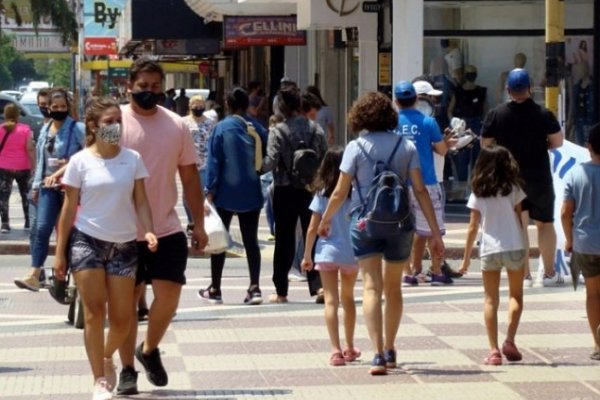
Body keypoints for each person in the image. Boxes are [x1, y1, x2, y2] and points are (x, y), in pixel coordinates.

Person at [317, 92, 444, 375]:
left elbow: (340, 191)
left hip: (364, 224)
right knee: (394, 288)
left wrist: (325, 220)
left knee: (371, 287)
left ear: (359, 117)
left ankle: (376, 354)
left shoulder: (355, 147)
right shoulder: (406, 146)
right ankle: (390, 348)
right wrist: (435, 232)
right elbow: (420, 190)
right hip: (400, 224)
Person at [53, 97, 158, 400]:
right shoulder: (80, 161)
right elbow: (69, 208)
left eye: (118, 121)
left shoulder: (133, 159)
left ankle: (106, 356)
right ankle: (99, 379)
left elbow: (141, 200)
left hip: (125, 244)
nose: (115, 127)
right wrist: (60, 252)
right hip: (87, 241)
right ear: (93, 126)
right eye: (109, 122)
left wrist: (148, 229)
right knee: (94, 313)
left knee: (124, 319)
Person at [116, 58, 208, 395]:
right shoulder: (115, 122)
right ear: (130, 86)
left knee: (168, 297)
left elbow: (189, 176)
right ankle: (126, 369)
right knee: (125, 305)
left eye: (155, 86)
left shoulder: (177, 125)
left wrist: (198, 223)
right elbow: (96, 161)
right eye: (143, 86)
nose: (149, 92)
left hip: (166, 227)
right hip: (121, 230)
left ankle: (148, 350)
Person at [481, 68, 564, 288]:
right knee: (545, 224)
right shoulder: (544, 114)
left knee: (519, 225)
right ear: (529, 88)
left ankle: (524, 274)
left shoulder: (496, 114)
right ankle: (548, 273)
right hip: (539, 177)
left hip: (510, 178)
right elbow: (558, 142)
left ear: (508, 89)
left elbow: (486, 145)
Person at [198, 87, 267, 305]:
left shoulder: (221, 128)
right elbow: (266, 153)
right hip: (251, 191)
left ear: (227, 104)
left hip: (225, 193)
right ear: (247, 105)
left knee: (219, 239)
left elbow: (214, 161)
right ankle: (254, 288)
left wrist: (209, 191)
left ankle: (215, 289)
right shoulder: (256, 127)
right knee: (251, 242)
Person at [459, 145, 526, 365]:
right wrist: (525, 252)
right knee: (515, 296)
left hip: (489, 248)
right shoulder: (513, 187)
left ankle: (494, 350)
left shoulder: (478, 190)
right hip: (514, 244)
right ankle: (510, 340)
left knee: (490, 299)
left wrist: (466, 258)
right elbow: (521, 221)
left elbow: (472, 226)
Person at [14, 87, 85, 292]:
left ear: (68, 107)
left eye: (63, 107)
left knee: (70, 232)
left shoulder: (77, 128)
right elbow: (41, 161)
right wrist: (36, 185)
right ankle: (35, 273)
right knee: (42, 228)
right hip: (48, 186)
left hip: (71, 187)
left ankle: (73, 274)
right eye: (55, 107)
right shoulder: (46, 129)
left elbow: (88, 152)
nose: (58, 110)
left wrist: (68, 164)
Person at [262, 83, 327, 303]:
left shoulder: (277, 131)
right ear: (300, 104)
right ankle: (318, 287)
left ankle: (281, 291)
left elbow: (270, 162)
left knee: (284, 239)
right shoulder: (315, 129)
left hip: (284, 188)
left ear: (281, 107)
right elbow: (325, 158)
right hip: (310, 189)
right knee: (314, 236)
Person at [301, 147, 360, 366]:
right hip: (351, 253)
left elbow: (311, 228)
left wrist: (307, 255)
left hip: (326, 252)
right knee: (348, 298)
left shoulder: (322, 193)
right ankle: (350, 346)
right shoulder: (355, 192)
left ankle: (335, 350)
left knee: (331, 301)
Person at [394, 81, 451, 286]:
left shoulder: (392, 123)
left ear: (396, 101)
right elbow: (442, 150)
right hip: (426, 181)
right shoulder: (428, 122)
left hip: (400, 183)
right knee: (433, 229)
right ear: (416, 99)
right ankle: (436, 271)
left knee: (404, 229)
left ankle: (408, 272)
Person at [561, 123, 600, 361]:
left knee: (593, 294)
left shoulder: (575, 174)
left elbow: (566, 212)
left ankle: (597, 344)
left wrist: (569, 239)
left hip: (585, 243)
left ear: (589, 147)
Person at [447, 64, 488, 182]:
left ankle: (476, 187)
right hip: (462, 125)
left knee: (478, 158)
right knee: (462, 158)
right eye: (469, 73)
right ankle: (461, 186)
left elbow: (485, 110)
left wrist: (484, 125)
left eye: (473, 72)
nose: (471, 75)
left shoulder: (481, 91)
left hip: (477, 124)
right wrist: (454, 123)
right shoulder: (458, 91)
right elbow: (450, 110)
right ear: (465, 75)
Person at [182, 94, 215, 232]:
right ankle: (191, 221)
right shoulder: (183, 122)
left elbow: (213, 141)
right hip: (188, 163)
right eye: (196, 105)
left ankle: (199, 223)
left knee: (201, 195)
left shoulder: (210, 122)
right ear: (190, 106)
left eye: (201, 105)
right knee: (186, 196)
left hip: (205, 163)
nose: (198, 107)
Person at [0, 104, 35, 233]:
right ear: (17, 115)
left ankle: (5, 224)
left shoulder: (0, 129)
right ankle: (27, 222)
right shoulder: (25, 129)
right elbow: (30, 149)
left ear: (5, 114)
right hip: (23, 166)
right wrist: (34, 165)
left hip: (4, 167)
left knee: (4, 196)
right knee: (25, 194)